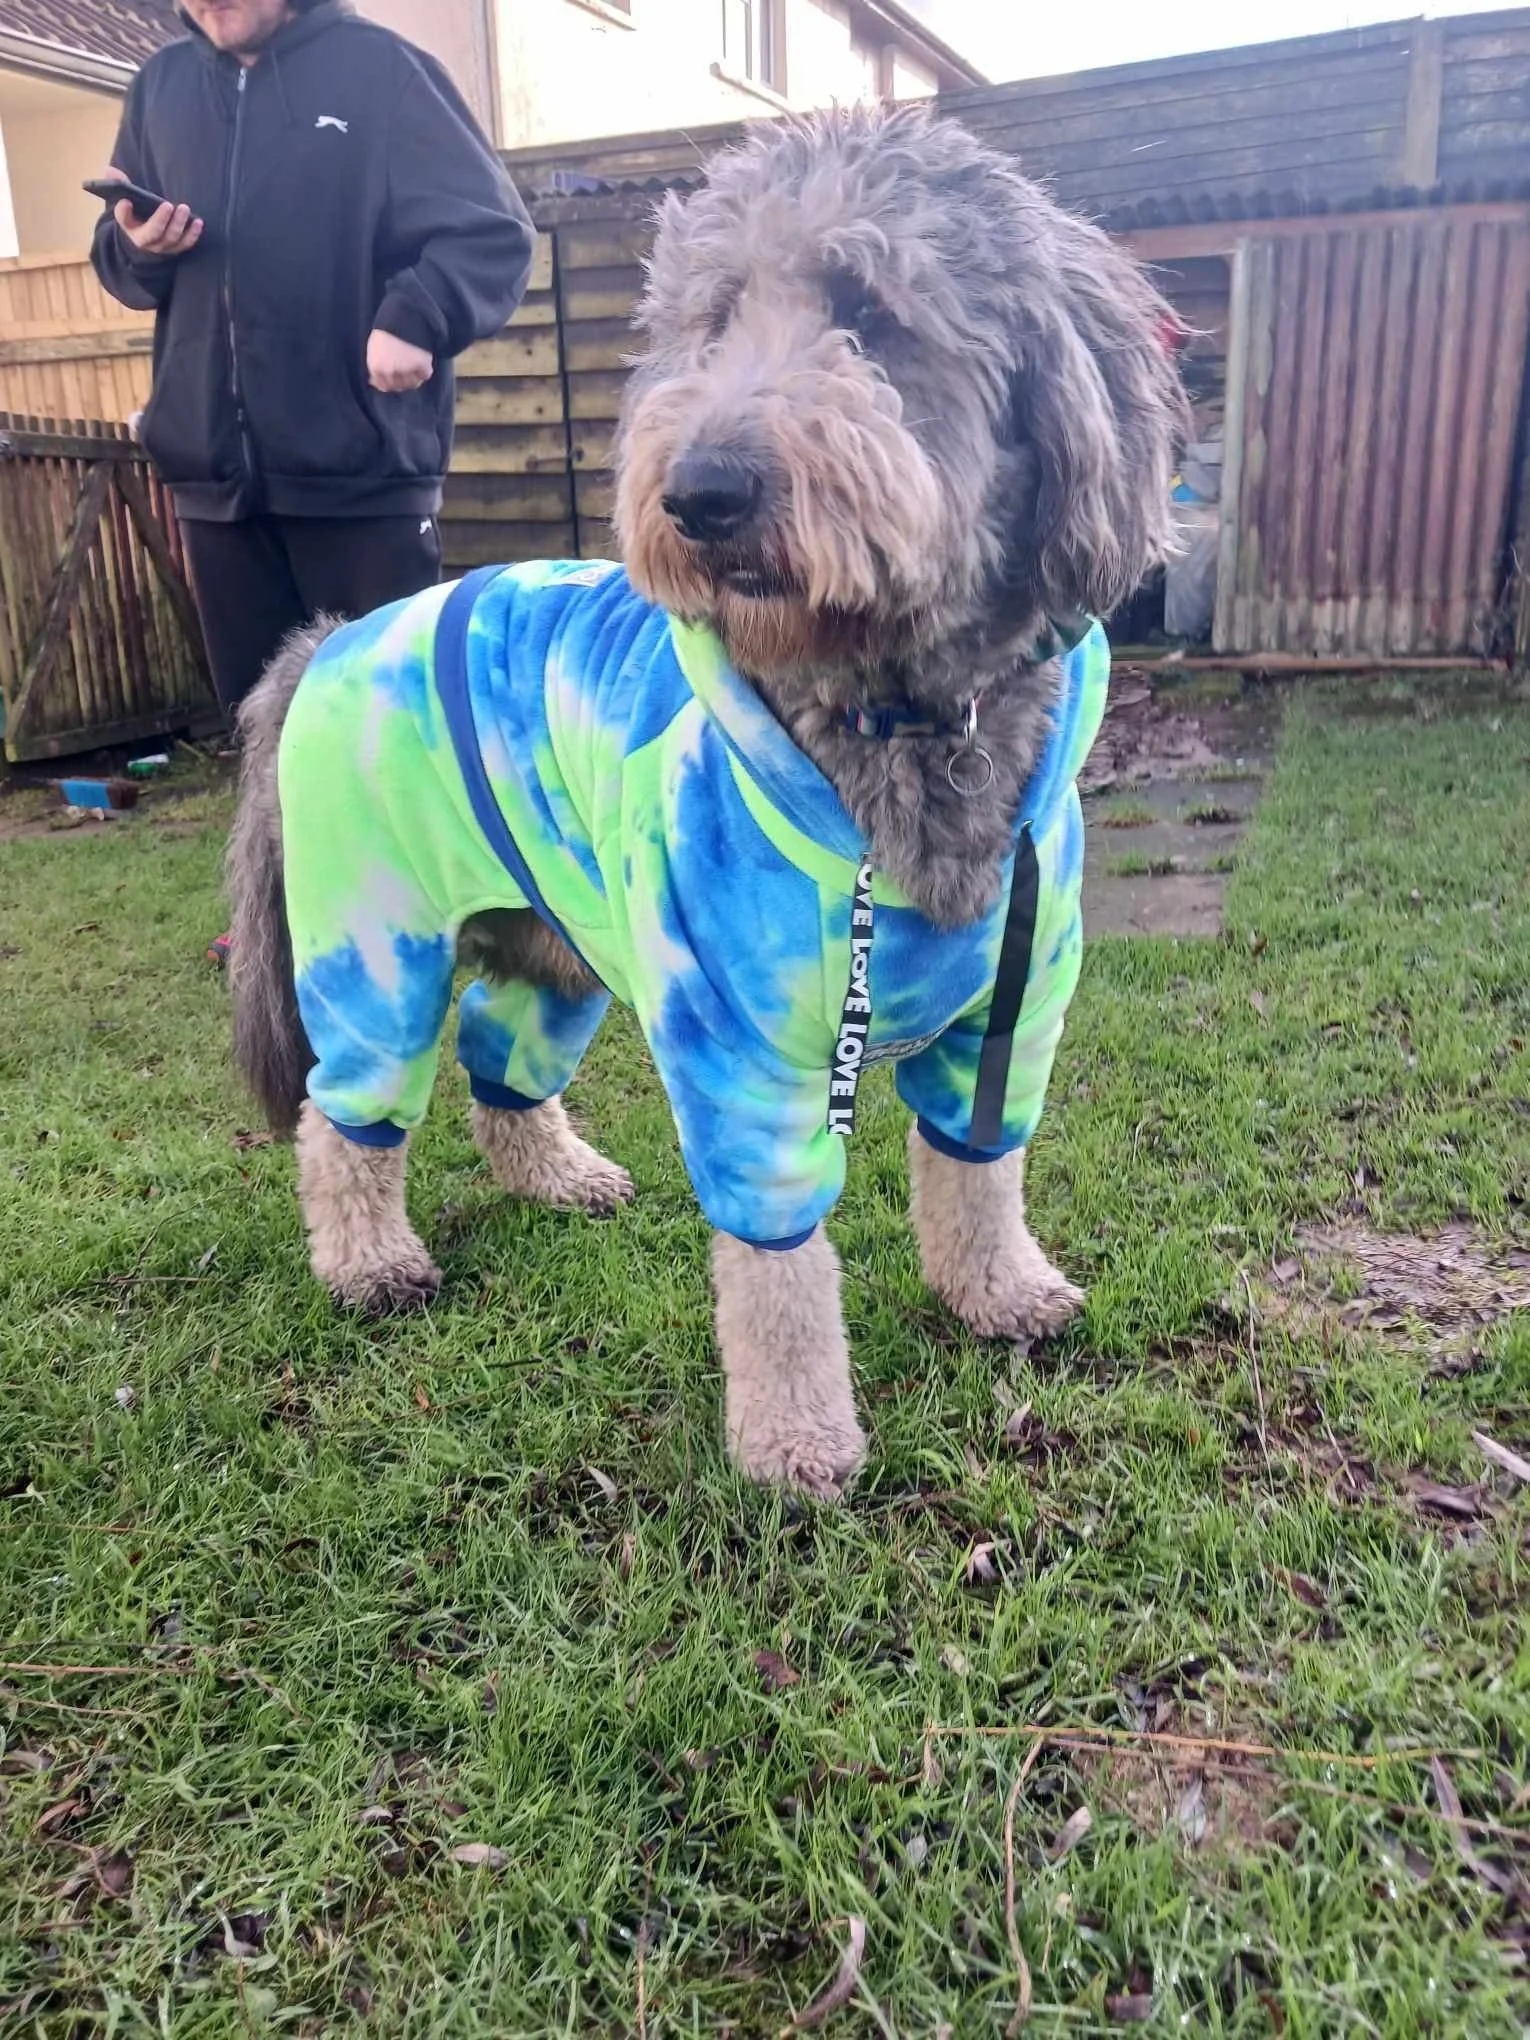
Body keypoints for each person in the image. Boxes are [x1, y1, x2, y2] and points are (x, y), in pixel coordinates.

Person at [90, 0, 535, 958]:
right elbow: (119, 265)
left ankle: (437, 914)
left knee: (397, 715)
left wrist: (415, 315)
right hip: (216, 475)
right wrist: (139, 246)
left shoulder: (383, 73)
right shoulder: (159, 87)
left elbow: (491, 233)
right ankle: (283, 917)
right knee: (261, 723)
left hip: (362, 470)